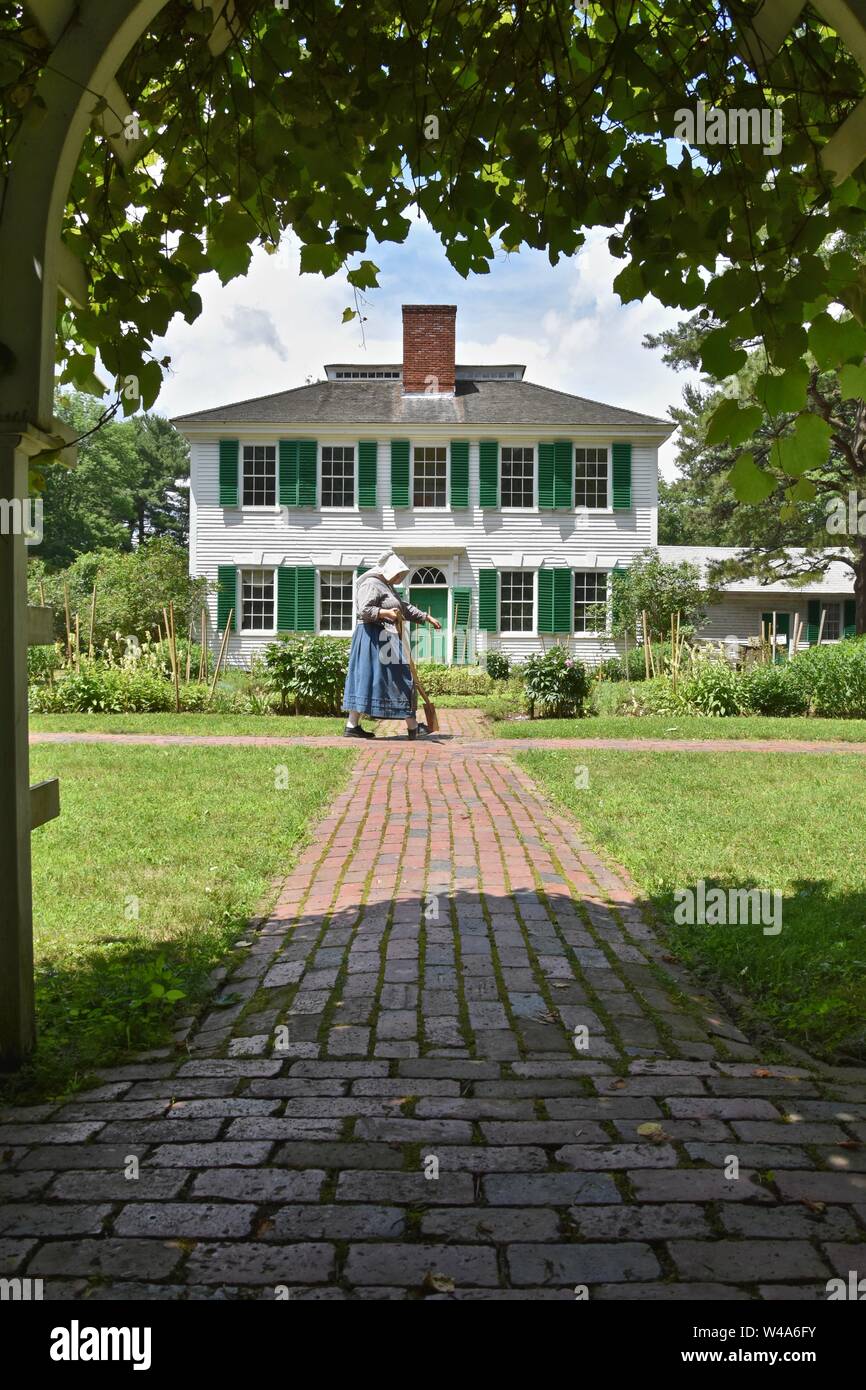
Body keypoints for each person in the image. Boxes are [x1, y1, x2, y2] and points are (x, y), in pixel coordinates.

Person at [342, 551, 442, 738]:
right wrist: (385, 614)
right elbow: (364, 609)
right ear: (388, 571)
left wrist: (426, 617)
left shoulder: (386, 585)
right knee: (398, 677)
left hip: (383, 637)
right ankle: (412, 727)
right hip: (372, 638)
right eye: (397, 575)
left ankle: (352, 726)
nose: (399, 578)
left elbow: (402, 607)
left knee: (373, 678)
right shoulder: (372, 583)